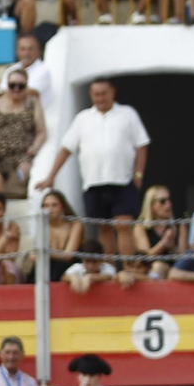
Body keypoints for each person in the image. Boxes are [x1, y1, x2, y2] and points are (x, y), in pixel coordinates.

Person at [36, 79, 150, 260]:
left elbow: (142, 145)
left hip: (123, 180)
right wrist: (51, 176)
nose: (100, 98)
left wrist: (138, 175)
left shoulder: (128, 114)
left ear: (112, 92)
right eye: (96, 94)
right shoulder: (83, 118)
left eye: (103, 93)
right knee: (103, 228)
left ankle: (128, 268)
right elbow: (66, 148)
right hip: (93, 182)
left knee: (124, 225)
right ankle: (109, 269)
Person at [0, 65, 44, 195]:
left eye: (21, 86)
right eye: (12, 85)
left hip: (21, 157)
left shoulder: (32, 103)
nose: (16, 89)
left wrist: (34, 148)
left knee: (19, 181)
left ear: (26, 86)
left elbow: (41, 131)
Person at [133, 183, 181, 278]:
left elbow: (184, 257)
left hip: (174, 269)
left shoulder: (178, 224)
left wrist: (172, 248)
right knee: (157, 266)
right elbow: (145, 258)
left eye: (169, 200)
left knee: (160, 267)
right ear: (151, 205)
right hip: (149, 269)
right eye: (163, 201)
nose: (168, 204)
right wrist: (163, 243)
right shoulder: (140, 227)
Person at [0, 32, 50, 99]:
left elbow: (30, 93)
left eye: (31, 49)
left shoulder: (44, 70)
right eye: (23, 49)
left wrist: (4, 92)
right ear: (17, 51)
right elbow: (0, 92)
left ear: (39, 51)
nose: (26, 53)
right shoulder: (11, 69)